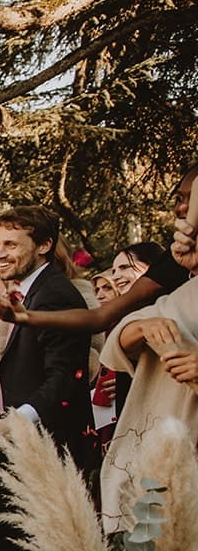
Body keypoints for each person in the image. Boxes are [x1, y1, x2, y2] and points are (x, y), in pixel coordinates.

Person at [0, 207, 94, 551]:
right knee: (10, 537)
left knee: (43, 544)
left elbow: (63, 378)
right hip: (15, 437)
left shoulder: (56, 295)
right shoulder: (28, 291)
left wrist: (17, 421)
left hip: (47, 442)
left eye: (11, 244)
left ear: (44, 246)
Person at [98, 166, 198, 532]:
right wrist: (141, 327)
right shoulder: (186, 292)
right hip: (162, 460)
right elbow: (116, 341)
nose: (183, 215)